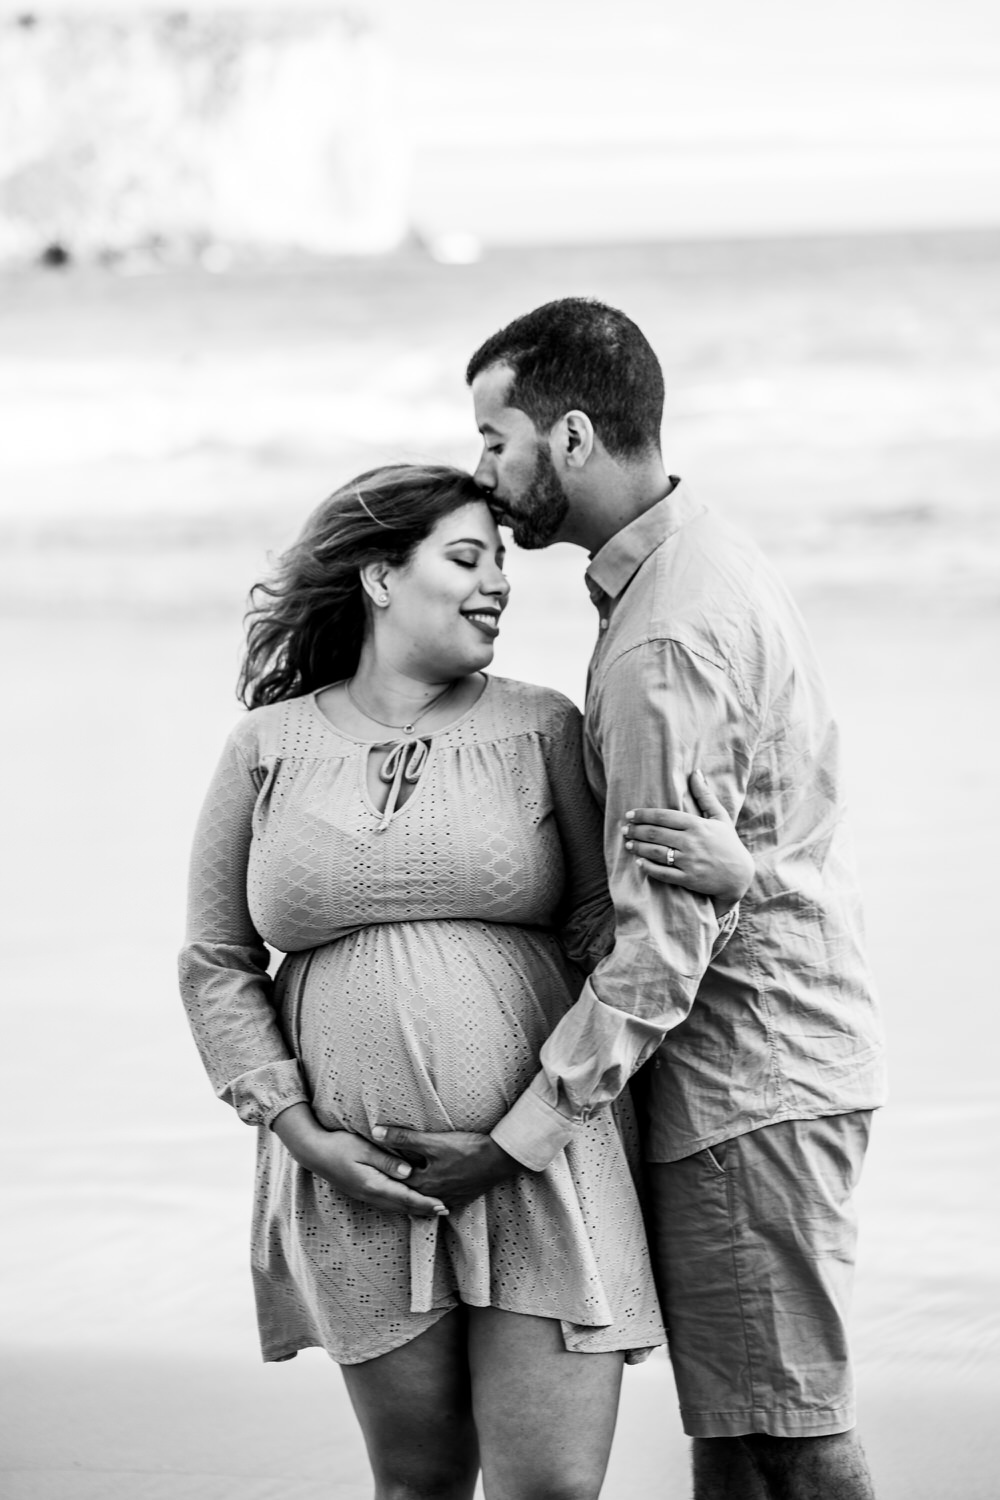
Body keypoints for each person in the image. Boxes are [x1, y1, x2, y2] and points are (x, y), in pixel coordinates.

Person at [373, 303, 888, 1500]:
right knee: (745, 1434)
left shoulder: (662, 638)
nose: (483, 477)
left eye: (494, 440)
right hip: (776, 1063)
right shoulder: (699, 560)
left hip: (745, 1077)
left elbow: (664, 945)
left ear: (566, 437)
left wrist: (513, 1145)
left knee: (785, 1439)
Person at [178, 463, 754, 1500]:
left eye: (502, 561)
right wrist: (300, 1132)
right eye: (466, 557)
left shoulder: (540, 728)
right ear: (378, 575)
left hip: (540, 1164)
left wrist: (515, 1139)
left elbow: (618, 932)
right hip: (357, 1183)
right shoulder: (267, 746)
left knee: (549, 1492)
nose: (498, 582)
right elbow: (216, 962)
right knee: (417, 1486)